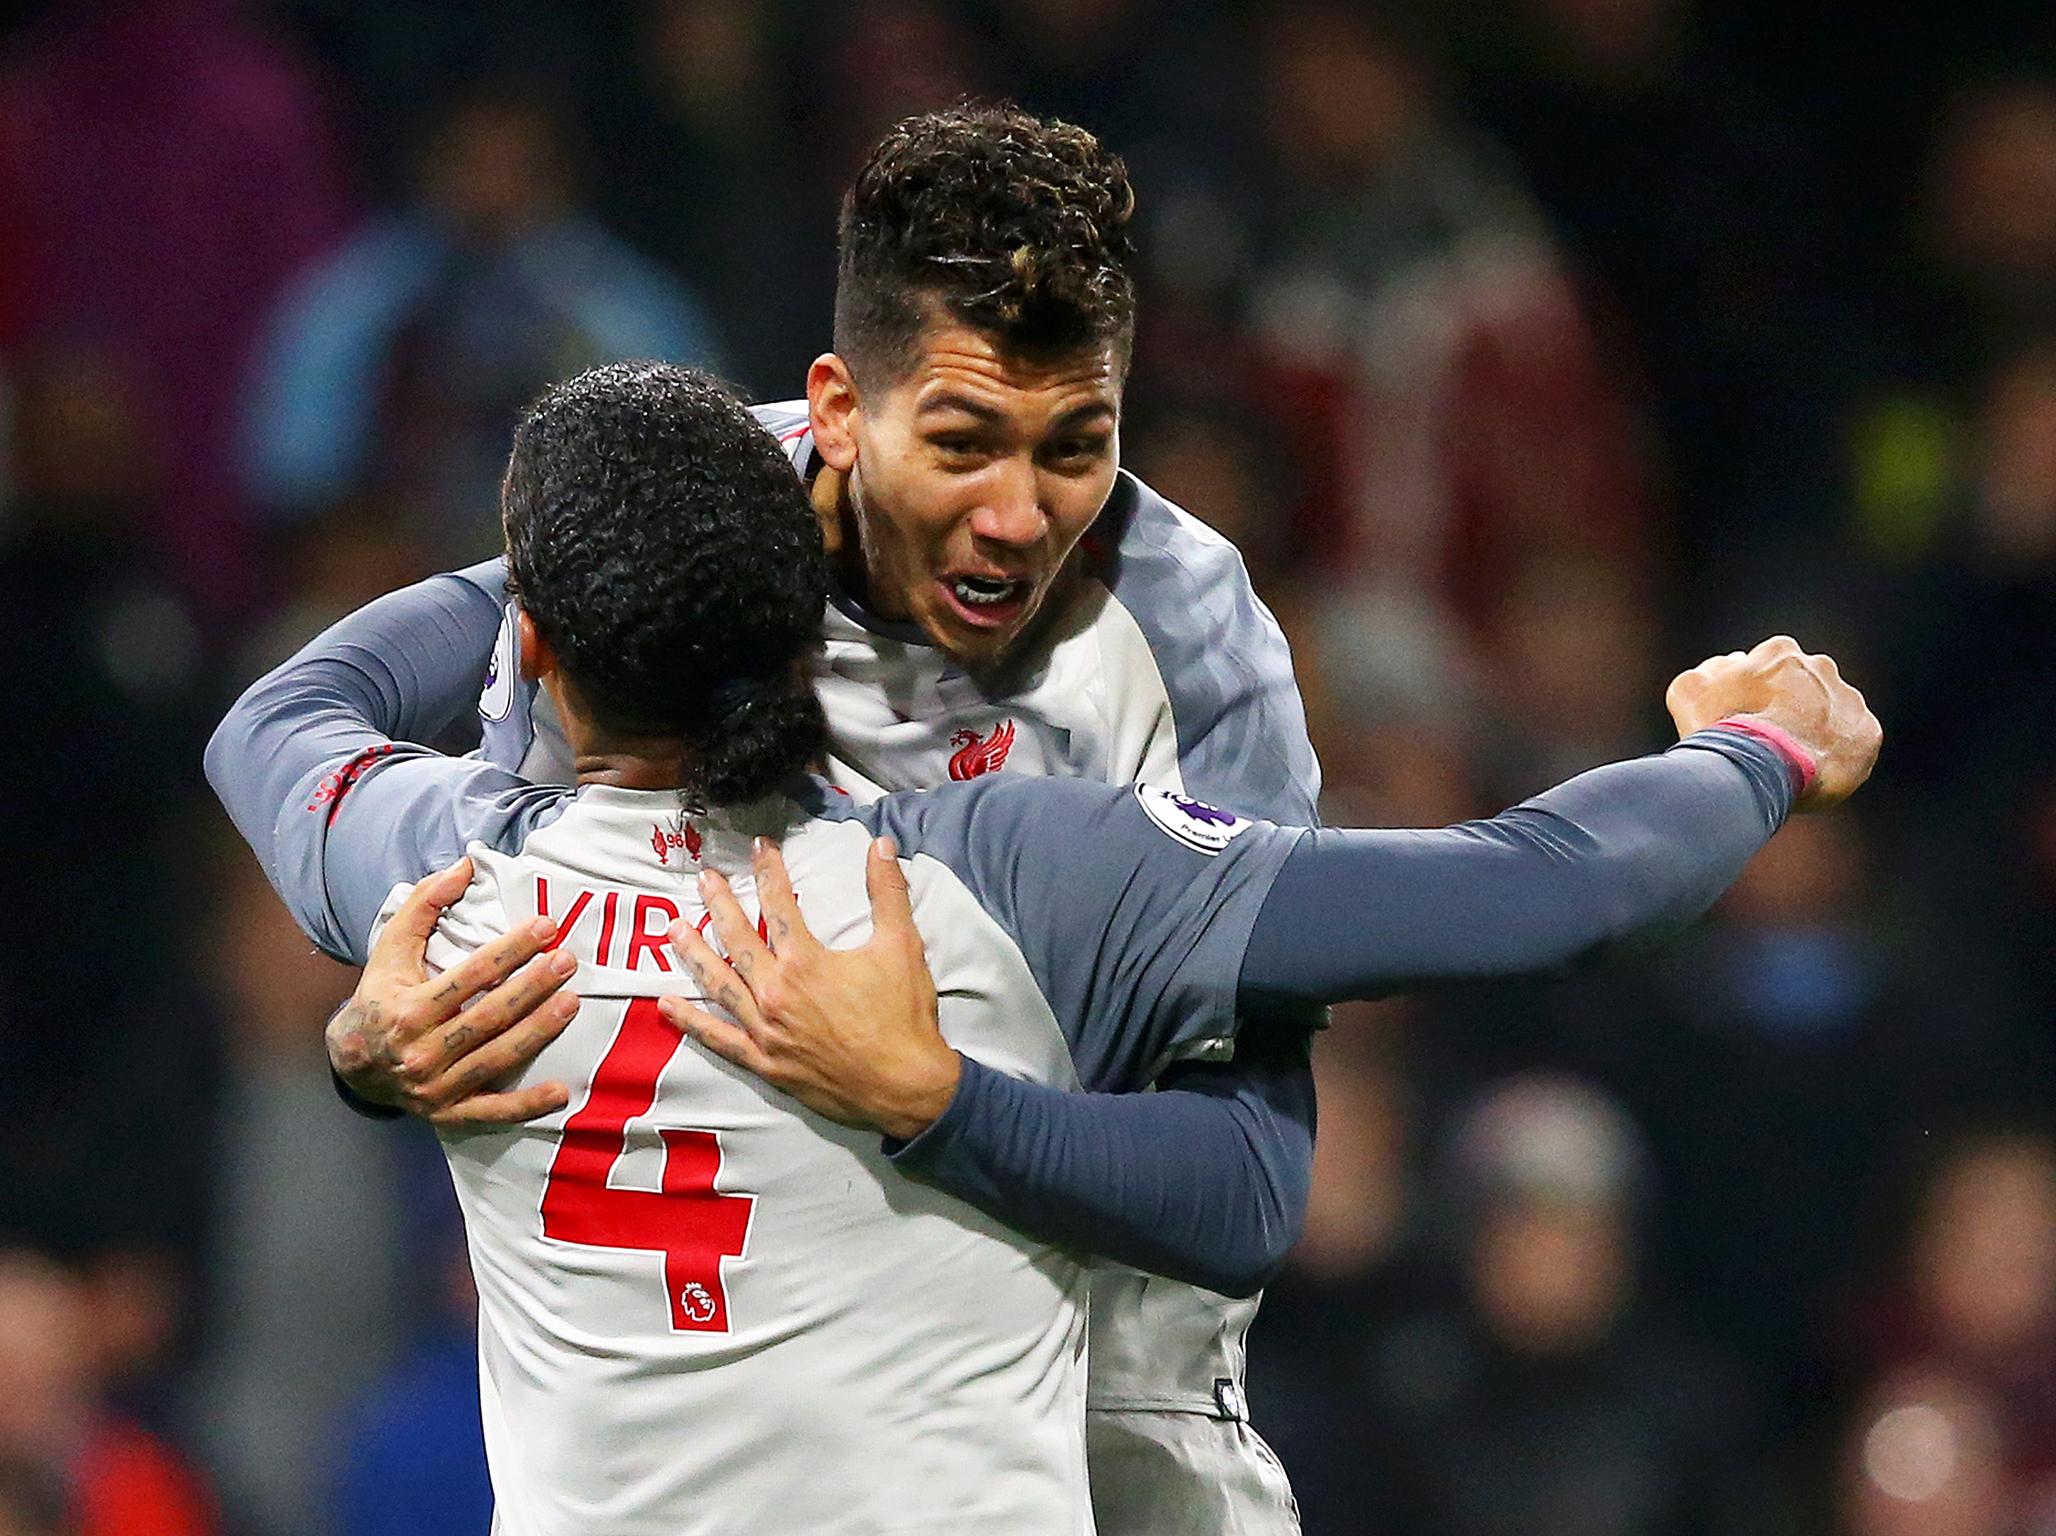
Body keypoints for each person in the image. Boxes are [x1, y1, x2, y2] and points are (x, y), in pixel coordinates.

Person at [282, 107, 1872, 1533]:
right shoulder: (671, 565)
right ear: (836, 411)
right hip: (702, 1392)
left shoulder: (1187, 644)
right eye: (963, 442)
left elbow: (1247, 1190)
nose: (1017, 514)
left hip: (1100, 1430)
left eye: (1077, 449)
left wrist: (938, 1101)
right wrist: (380, 1061)